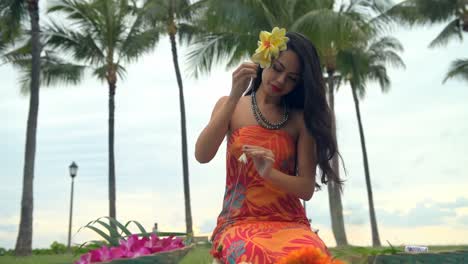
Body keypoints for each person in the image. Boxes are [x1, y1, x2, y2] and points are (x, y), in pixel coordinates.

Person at [195, 28, 343, 264]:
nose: (281, 80)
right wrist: (234, 96)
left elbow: (305, 188)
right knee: (255, 254)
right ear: (265, 59)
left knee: (313, 255)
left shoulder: (300, 121)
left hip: (290, 223)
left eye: (292, 78)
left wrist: (269, 173)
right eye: (278, 69)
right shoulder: (229, 106)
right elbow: (202, 155)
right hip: (240, 221)